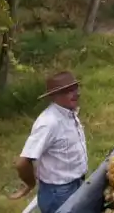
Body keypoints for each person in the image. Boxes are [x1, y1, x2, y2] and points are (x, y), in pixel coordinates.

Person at [10, 71, 88, 213]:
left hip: (77, 183)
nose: (75, 93)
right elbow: (23, 162)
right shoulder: (48, 123)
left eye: (75, 88)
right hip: (58, 193)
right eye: (67, 91)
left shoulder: (69, 112)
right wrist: (30, 184)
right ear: (54, 96)